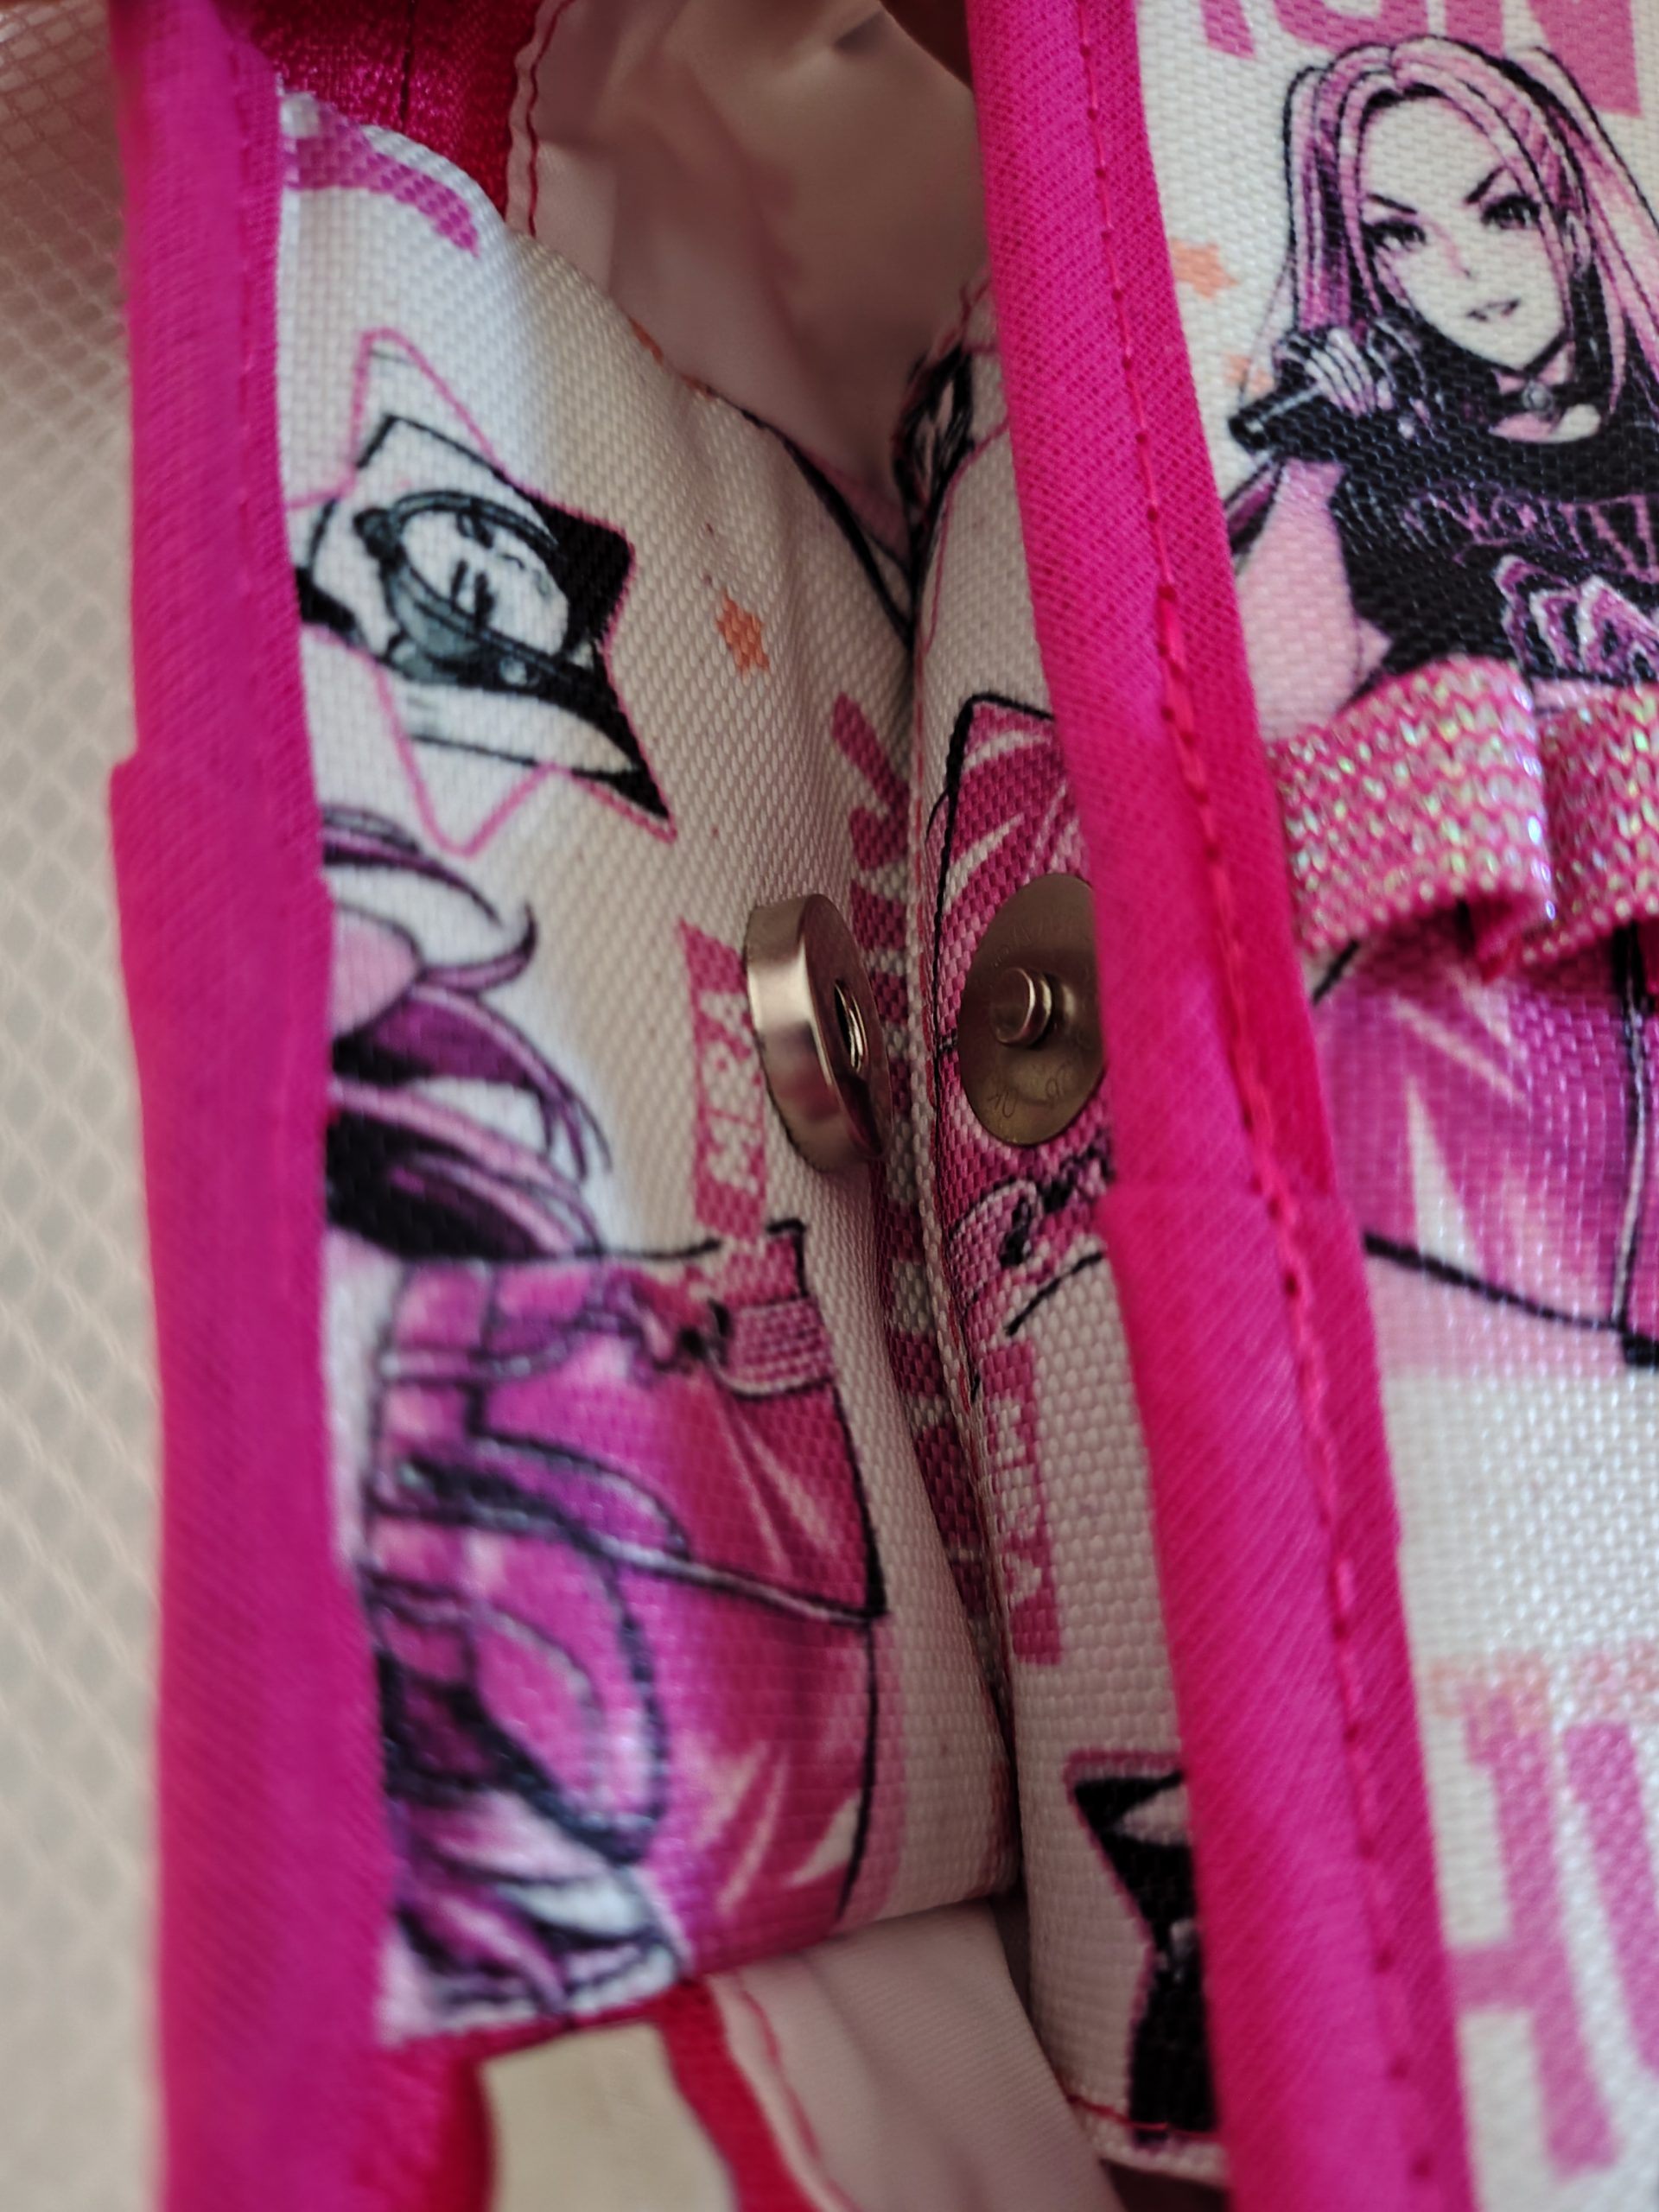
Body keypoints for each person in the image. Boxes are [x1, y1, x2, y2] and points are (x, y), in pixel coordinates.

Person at [1230, 37, 1659, 742]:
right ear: (1380, 274)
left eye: (1505, 212)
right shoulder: (1396, 485)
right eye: (1404, 235)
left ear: (1575, 230)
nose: (1466, 267)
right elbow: (1274, 715)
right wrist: (1313, 469)